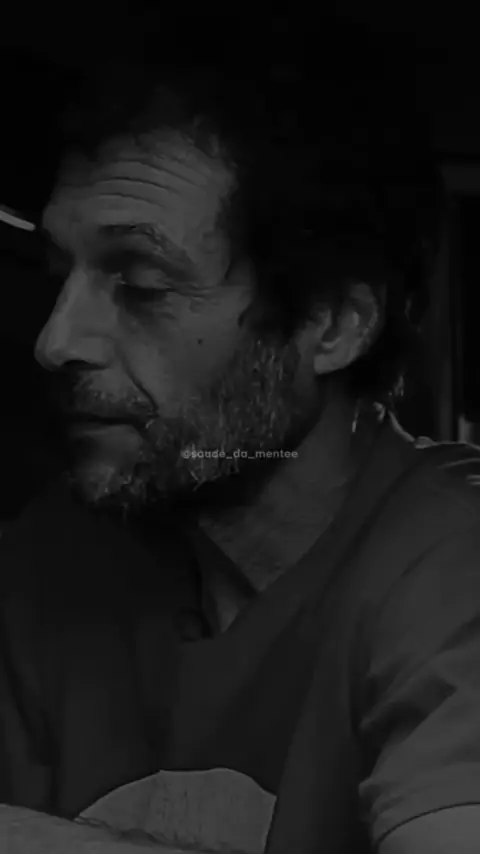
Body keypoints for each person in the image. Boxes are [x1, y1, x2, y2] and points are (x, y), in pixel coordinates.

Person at [2, 15, 480, 854]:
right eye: (58, 273)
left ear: (333, 325)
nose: (57, 339)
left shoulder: (454, 564)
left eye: (141, 284)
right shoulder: (45, 564)